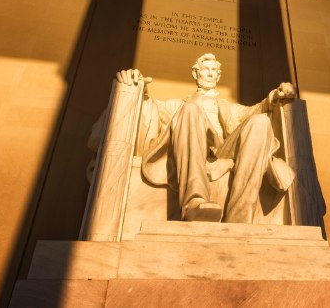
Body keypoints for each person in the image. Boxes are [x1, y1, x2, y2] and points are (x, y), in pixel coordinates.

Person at [116, 53, 297, 223]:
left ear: (218, 77)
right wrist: (138, 87)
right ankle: (195, 202)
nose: (210, 74)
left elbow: (252, 111)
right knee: (190, 110)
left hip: (223, 150)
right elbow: (152, 108)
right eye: (205, 69)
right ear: (196, 73)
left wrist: (274, 97)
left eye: (214, 71)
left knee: (260, 121)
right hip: (192, 147)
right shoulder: (178, 105)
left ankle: (240, 215)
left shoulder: (228, 108)